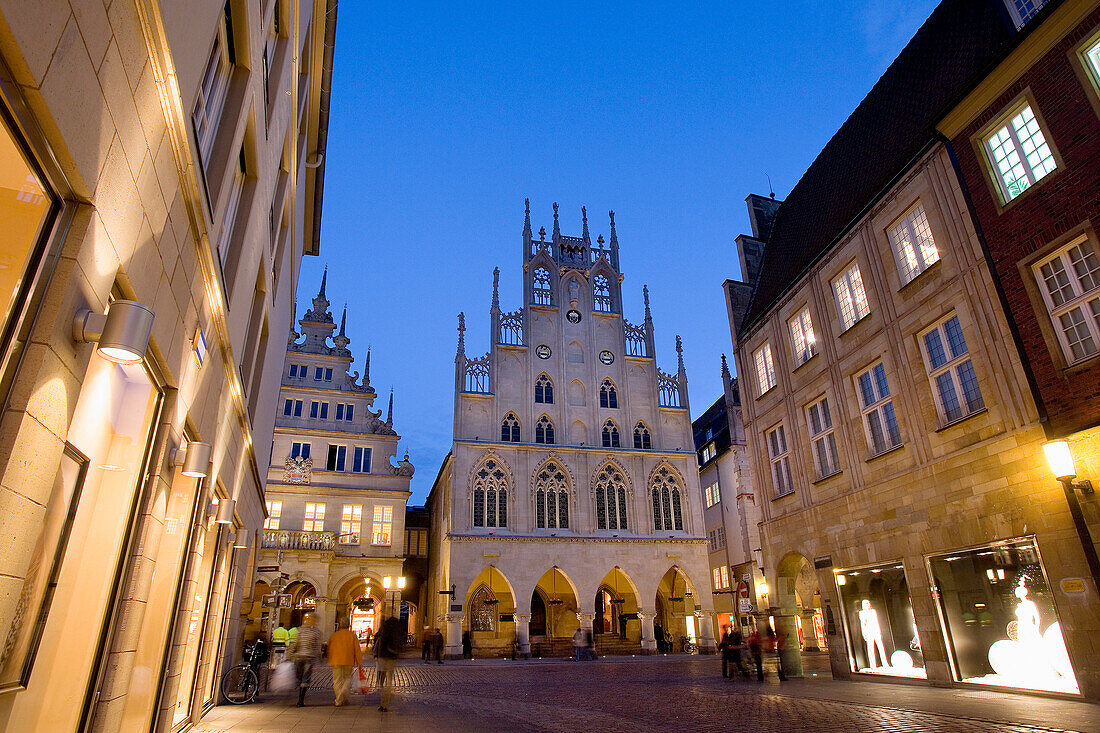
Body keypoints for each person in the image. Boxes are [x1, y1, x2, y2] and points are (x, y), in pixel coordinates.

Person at [286, 614, 322, 707]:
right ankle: (300, 701)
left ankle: (297, 686)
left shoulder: (300, 630)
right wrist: (319, 658)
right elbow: (317, 647)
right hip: (309, 658)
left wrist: (289, 655)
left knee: (299, 676)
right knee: (305, 679)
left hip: (299, 656)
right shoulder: (316, 632)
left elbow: (295, 643)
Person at [327, 616, 362, 707]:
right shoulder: (352, 636)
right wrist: (359, 662)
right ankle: (344, 696)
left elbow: (329, 648)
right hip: (348, 660)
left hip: (336, 660)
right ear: (349, 625)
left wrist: (329, 658)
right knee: (347, 679)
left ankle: (339, 700)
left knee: (337, 681)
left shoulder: (334, 635)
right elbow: (357, 650)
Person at [373, 615, 403, 712]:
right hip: (391, 658)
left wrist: (377, 655)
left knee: (382, 677)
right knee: (388, 681)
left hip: (383, 657)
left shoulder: (384, 630)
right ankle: (385, 701)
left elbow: (380, 642)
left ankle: (384, 700)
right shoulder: (396, 631)